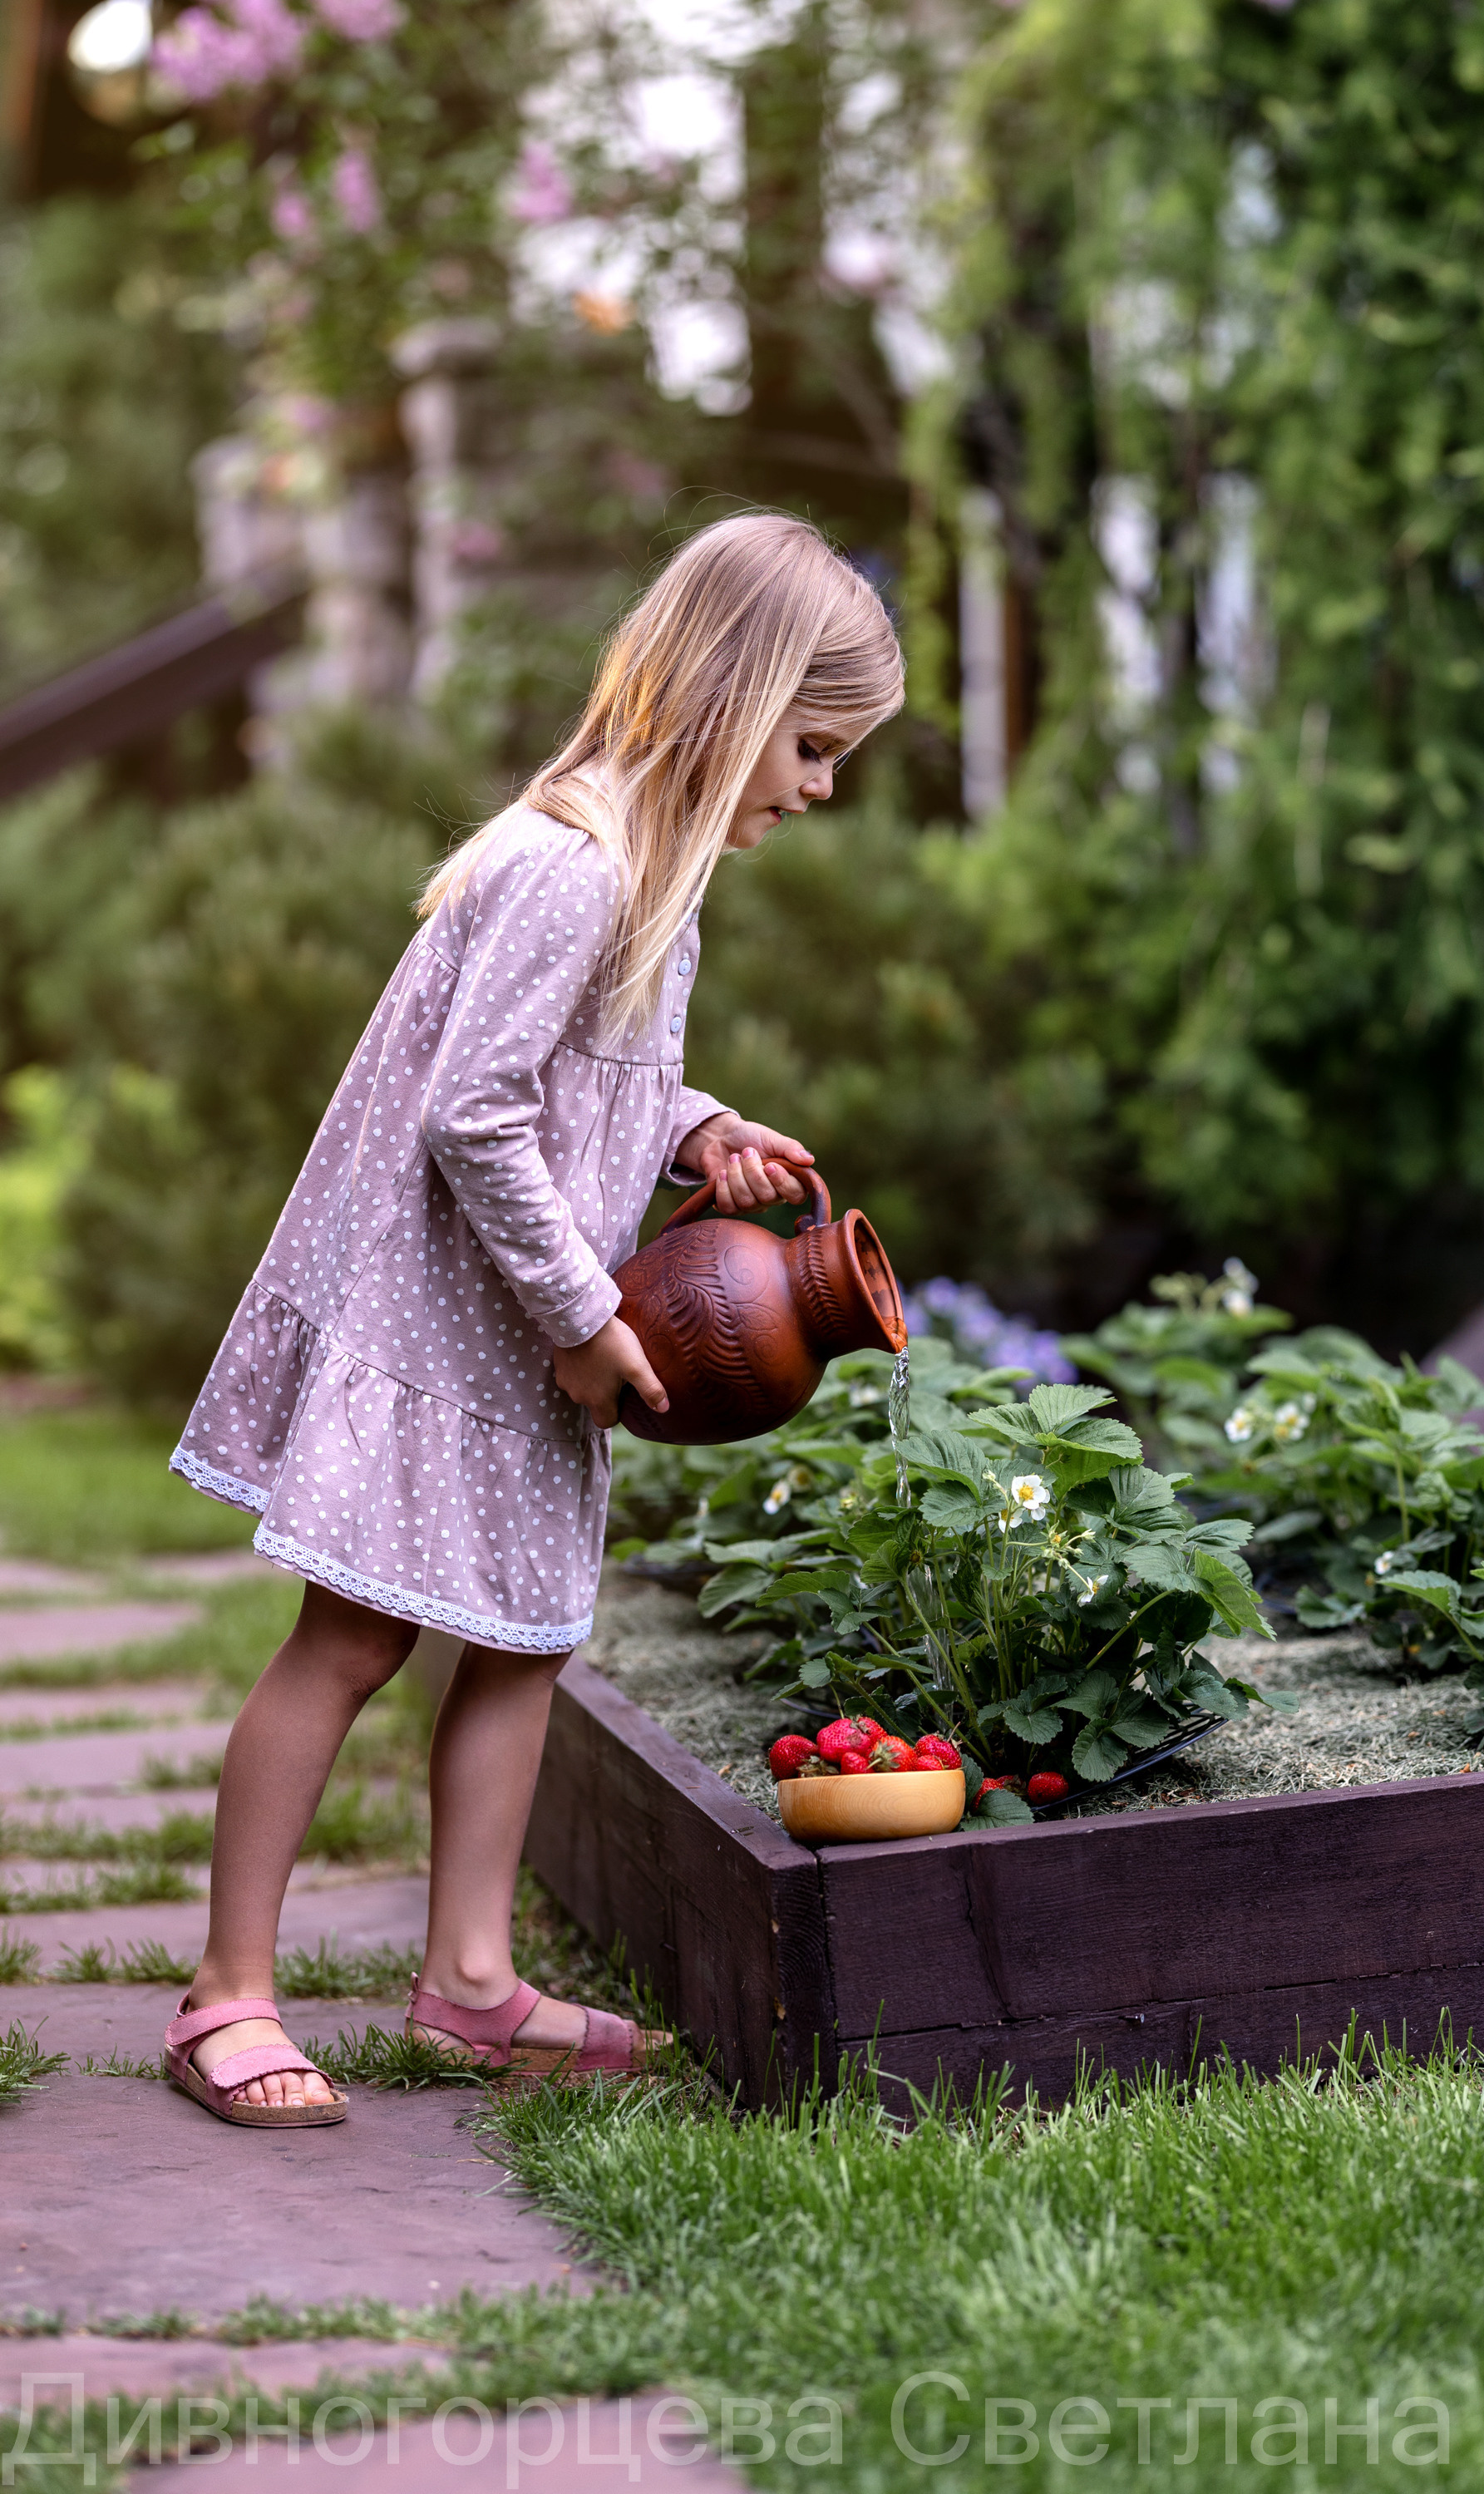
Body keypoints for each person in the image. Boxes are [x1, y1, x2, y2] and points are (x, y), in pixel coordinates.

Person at [161, 513, 905, 2122]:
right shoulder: (572, 868)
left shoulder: (654, 871)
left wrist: (691, 1130)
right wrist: (581, 1313)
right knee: (352, 1638)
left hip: (514, 1331)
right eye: (816, 744)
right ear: (734, 694)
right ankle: (226, 1990)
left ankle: (473, 1985)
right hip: (458, 1322)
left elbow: (590, 1079)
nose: (823, 785)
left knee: (524, 1642)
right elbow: (474, 1118)